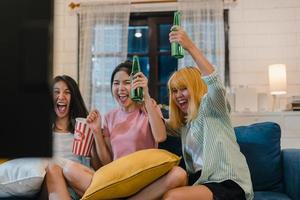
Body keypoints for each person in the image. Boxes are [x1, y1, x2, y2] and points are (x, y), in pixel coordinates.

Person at [47, 61, 186, 199]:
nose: (120, 88)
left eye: (126, 82)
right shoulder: (109, 117)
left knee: (179, 174)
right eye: (116, 83)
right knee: (70, 169)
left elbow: (160, 136)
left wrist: (146, 96)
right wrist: (96, 131)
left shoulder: (149, 108)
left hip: (144, 180)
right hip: (116, 182)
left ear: (136, 84)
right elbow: (107, 163)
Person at [158, 27, 254, 199]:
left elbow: (215, 84)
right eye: (174, 91)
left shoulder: (211, 107)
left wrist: (190, 47)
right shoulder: (186, 123)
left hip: (227, 183)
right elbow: (161, 127)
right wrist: (146, 101)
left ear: (195, 88)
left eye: (183, 89)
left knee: (171, 197)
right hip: (201, 183)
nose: (178, 95)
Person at [44, 75, 101, 200]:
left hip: (81, 184)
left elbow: (97, 166)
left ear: (73, 98)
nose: (61, 96)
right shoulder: (42, 133)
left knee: (68, 169)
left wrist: (93, 132)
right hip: (56, 187)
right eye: (56, 92)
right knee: (53, 168)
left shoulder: (82, 129)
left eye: (67, 92)